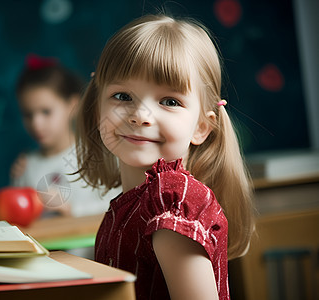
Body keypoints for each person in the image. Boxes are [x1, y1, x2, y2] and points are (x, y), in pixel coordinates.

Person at [75, 15, 255, 299]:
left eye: (169, 102)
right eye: (122, 96)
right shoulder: (133, 202)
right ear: (98, 107)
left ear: (201, 127)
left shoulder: (171, 203)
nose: (140, 116)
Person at [11, 54, 119, 217]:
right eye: (28, 115)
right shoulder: (26, 167)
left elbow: (117, 207)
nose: (36, 124)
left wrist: (71, 210)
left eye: (46, 112)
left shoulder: (96, 156)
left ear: (72, 105)